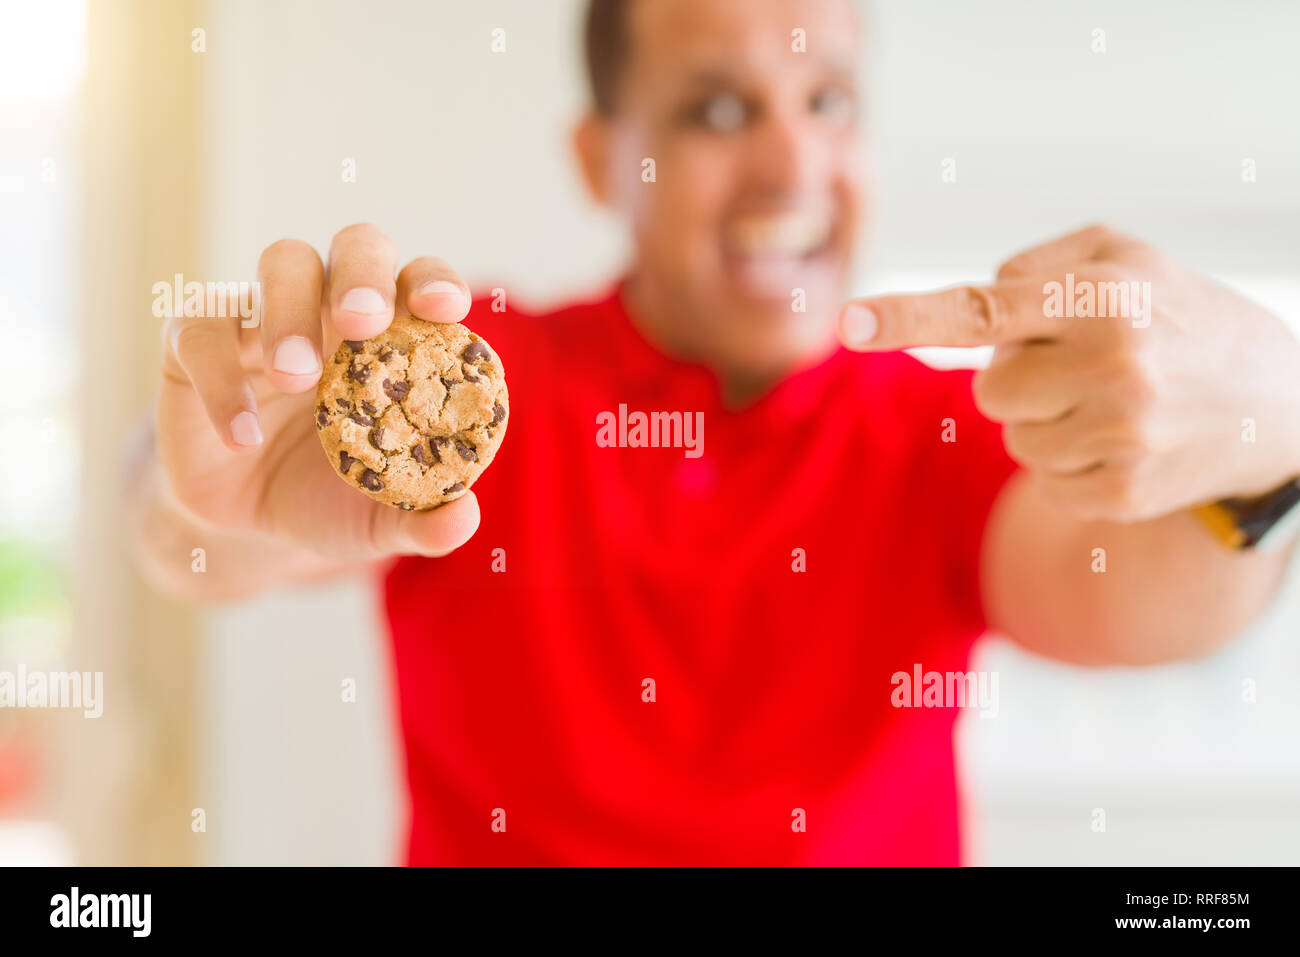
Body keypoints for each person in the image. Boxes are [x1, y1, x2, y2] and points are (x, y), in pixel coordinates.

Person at [127, 0, 1300, 864]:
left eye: (828, 101)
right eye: (718, 110)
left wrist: (1271, 444)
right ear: (601, 160)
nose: (792, 161)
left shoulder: (935, 429)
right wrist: (202, 485)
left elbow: (1142, 601)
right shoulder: (483, 378)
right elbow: (202, 547)